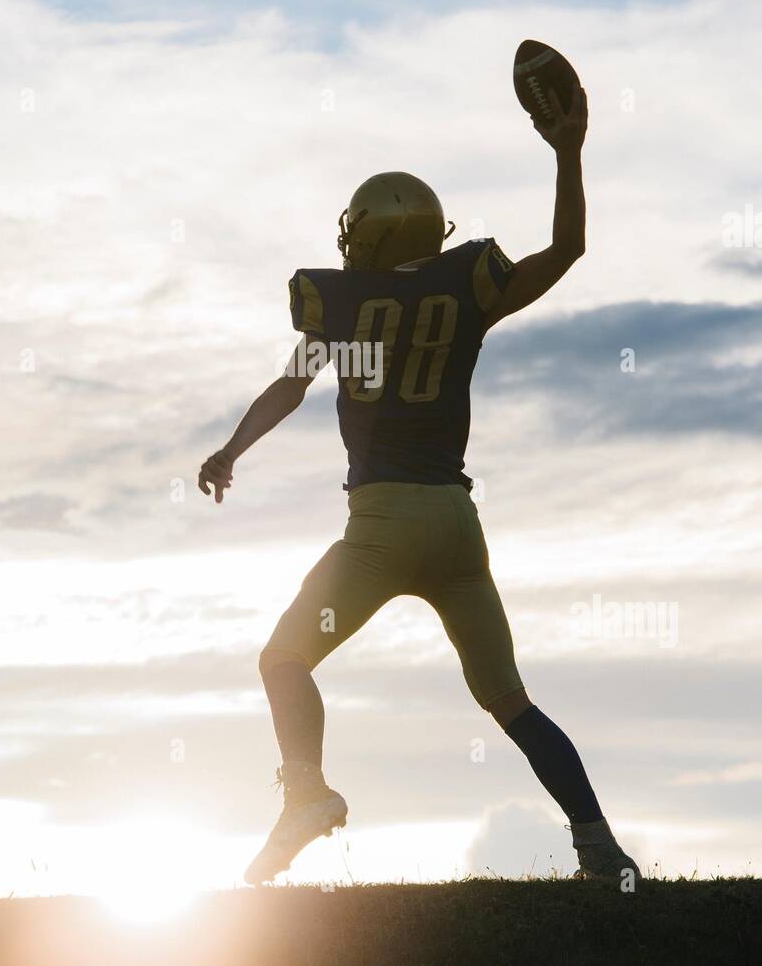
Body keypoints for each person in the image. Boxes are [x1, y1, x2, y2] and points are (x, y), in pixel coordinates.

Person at [198, 80, 641, 888]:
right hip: (454, 526)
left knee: (283, 660)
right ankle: (598, 847)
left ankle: (306, 796)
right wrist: (569, 151)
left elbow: (293, 384)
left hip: (381, 525)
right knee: (510, 702)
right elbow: (566, 250)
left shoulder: (339, 304)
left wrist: (229, 450)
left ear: (359, 238)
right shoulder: (462, 289)